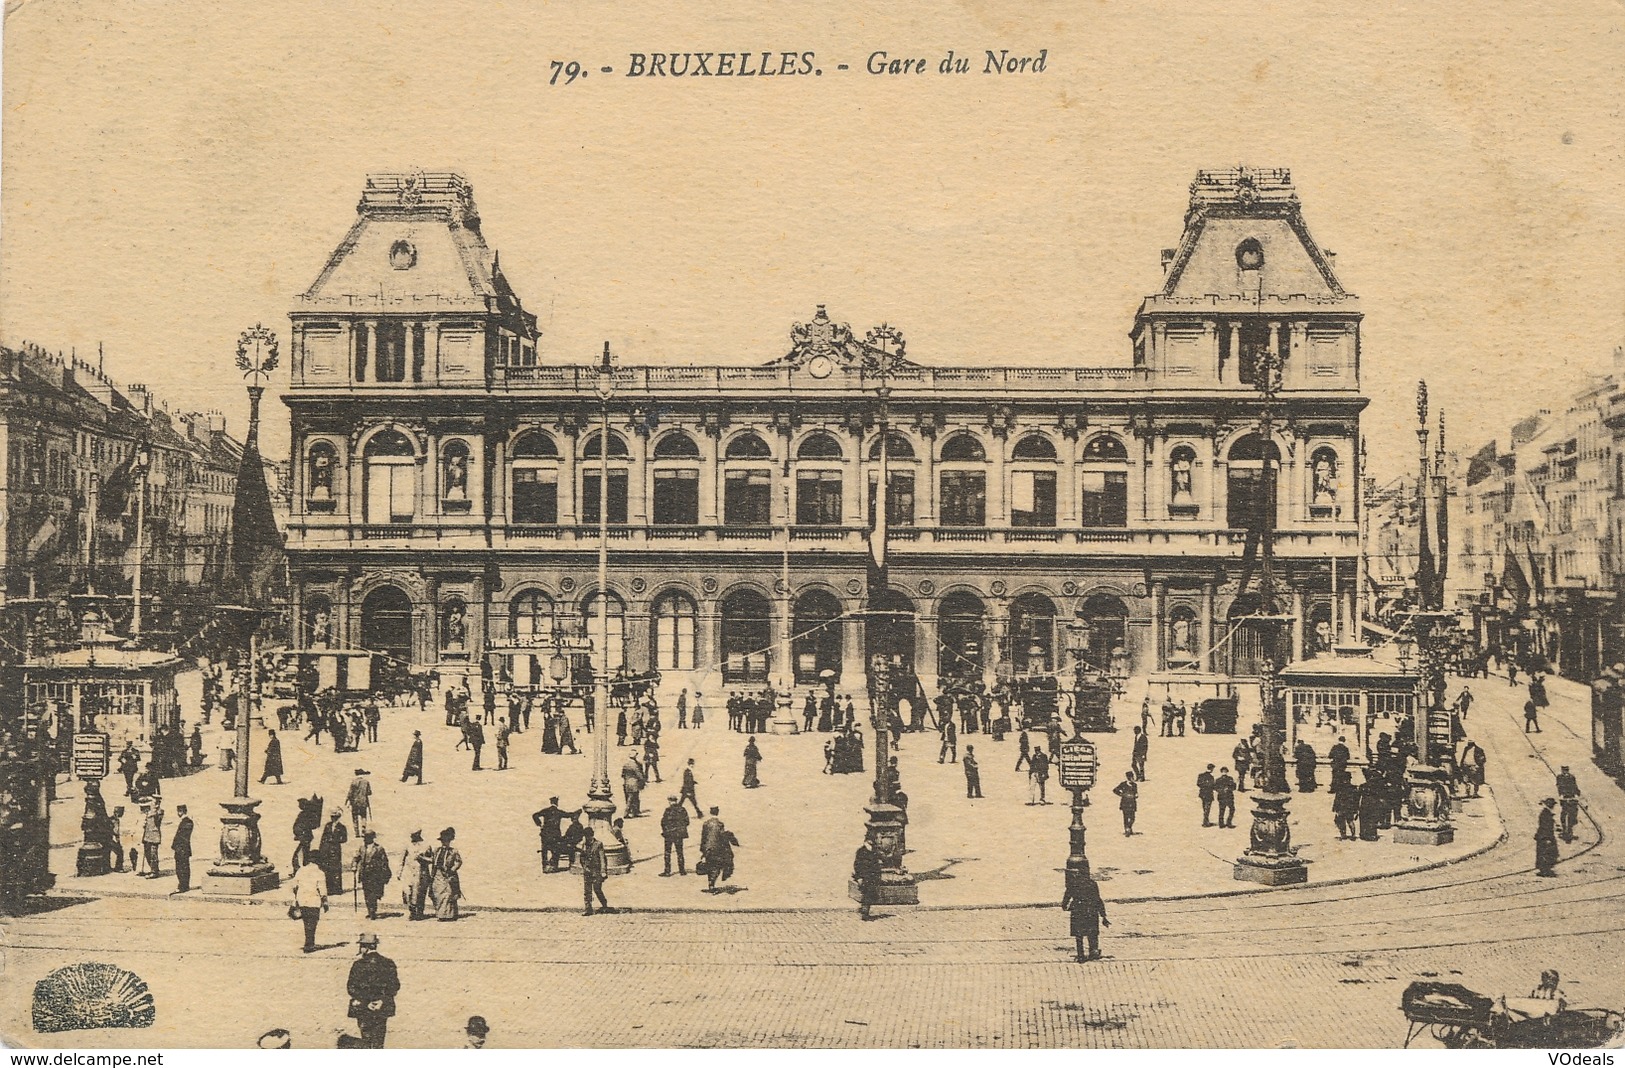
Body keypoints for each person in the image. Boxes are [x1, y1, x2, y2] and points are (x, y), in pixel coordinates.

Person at [346, 931, 400, 1048]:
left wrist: (366, 1002)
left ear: (365, 947)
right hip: (382, 1007)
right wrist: (381, 1001)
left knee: (366, 1039)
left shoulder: (358, 964)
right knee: (379, 1040)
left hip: (363, 1008)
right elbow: (395, 986)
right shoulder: (388, 963)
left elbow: (351, 988)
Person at [1060, 866, 1110, 962]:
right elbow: (1097, 899)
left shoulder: (1072, 884)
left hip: (1077, 910)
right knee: (1092, 933)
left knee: (1079, 934)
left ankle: (1081, 954)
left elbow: (1067, 896)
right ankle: (1093, 951)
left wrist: (1064, 905)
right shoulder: (1092, 884)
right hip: (1091, 910)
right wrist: (1103, 915)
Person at [289, 857, 329, 953]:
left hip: (302, 900)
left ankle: (309, 943)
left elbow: (294, 885)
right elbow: (323, 890)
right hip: (314, 901)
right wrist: (325, 903)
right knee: (312, 923)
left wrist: (297, 896)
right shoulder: (320, 873)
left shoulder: (301, 871)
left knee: (306, 922)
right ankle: (309, 944)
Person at [533, 797, 580, 873]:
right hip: (555, 835)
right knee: (555, 850)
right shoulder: (558, 812)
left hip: (545, 835)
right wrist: (576, 812)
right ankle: (554, 866)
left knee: (544, 851)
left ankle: (544, 867)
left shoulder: (546, 811)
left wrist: (540, 824)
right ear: (557, 803)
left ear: (551, 802)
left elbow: (535, 815)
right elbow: (568, 815)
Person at [699, 806, 739, 893]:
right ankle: (712, 885)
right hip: (717, 849)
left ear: (710, 812)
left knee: (710, 865)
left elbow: (703, 837)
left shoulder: (706, 823)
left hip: (708, 849)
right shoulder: (720, 824)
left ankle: (711, 884)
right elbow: (721, 836)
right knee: (717, 867)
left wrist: (703, 850)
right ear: (718, 812)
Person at [355, 830, 393, 920]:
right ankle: (370, 910)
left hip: (375, 874)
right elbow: (356, 857)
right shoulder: (362, 848)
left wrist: (385, 874)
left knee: (373, 893)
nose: (364, 839)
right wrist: (354, 865)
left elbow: (384, 861)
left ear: (371, 838)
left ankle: (373, 910)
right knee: (366, 893)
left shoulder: (379, 848)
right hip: (364, 873)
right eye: (364, 837)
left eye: (366, 837)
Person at [430, 827, 463, 920]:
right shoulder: (436, 850)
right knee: (437, 895)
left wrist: (452, 869)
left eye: (446, 841)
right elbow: (433, 860)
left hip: (448, 875)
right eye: (443, 841)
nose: (444, 843)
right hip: (437, 875)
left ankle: (449, 915)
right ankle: (441, 914)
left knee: (448, 895)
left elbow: (459, 862)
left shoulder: (453, 851)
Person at [579, 826, 612, 915]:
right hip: (587, 871)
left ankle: (604, 905)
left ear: (592, 835)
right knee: (587, 891)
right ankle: (588, 909)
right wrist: (584, 866)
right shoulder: (584, 845)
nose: (587, 839)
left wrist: (603, 871)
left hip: (596, 871)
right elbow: (581, 857)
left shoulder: (598, 844)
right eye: (585, 837)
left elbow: (602, 858)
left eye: (588, 836)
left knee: (597, 889)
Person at [401, 830, 431, 920]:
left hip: (422, 873)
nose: (411, 837)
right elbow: (401, 859)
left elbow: (432, 859)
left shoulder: (426, 845)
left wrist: (422, 858)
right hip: (409, 873)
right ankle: (412, 912)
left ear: (418, 835)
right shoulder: (407, 845)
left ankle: (420, 913)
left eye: (413, 835)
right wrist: (399, 871)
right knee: (408, 893)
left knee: (420, 894)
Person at [318, 809, 349, 895]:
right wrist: (321, 849)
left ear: (338, 817)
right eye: (332, 817)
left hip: (335, 850)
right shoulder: (328, 825)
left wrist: (335, 840)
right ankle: (329, 889)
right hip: (326, 849)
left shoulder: (342, 827)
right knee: (327, 869)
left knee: (336, 869)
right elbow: (323, 837)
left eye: (335, 817)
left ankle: (337, 889)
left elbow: (344, 839)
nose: (333, 819)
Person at [660, 795, 691, 876]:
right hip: (679, 835)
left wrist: (666, 830)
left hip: (669, 834)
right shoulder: (682, 809)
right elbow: (687, 822)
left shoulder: (668, 810)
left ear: (670, 801)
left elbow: (663, 822)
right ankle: (682, 870)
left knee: (667, 852)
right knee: (680, 852)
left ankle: (667, 871)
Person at [853, 838, 882, 921]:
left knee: (870, 894)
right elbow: (857, 865)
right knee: (867, 894)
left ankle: (864, 911)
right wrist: (859, 877)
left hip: (872, 877)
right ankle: (865, 914)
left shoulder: (873, 851)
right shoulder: (861, 851)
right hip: (864, 877)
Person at [171, 804, 193, 893]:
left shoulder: (187, 822)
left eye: (178, 811)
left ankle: (183, 886)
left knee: (182, 868)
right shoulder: (185, 822)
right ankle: (183, 885)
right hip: (182, 849)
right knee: (182, 868)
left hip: (182, 849)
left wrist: (176, 847)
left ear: (181, 812)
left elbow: (182, 837)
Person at [1556, 766, 1582, 842]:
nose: (1564, 772)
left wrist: (1577, 793)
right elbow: (1559, 787)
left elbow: (1574, 786)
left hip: (1571, 797)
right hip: (1564, 797)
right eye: (1564, 770)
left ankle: (1569, 831)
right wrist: (1560, 795)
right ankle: (1565, 830)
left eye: (1565, 770)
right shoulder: (1559, 777)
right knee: (1564, 814)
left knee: (1572, 815)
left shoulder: (1571, 777)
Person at [1535, 797, 1559, 876]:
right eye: (1553, 805)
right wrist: (1547, 838)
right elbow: (1545, 827)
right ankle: (1545, 870)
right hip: (1545, 836)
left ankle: (1546, 869)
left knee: (1547, 853)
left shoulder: (1547, 812)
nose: (1553, 806)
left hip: (1545, 836)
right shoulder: (1546, 813)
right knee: (1546, 853)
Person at [141, 800, 164, 879]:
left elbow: (157, 821)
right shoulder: (150, 812)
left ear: (158, 804)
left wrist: (152, 812)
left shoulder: (159, 812)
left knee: (153, 854)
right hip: (147, 836)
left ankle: (154, 871)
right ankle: (152, 869)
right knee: (147, 853)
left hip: (154, 836)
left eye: (154, 803)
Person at [347, 768, 372, 837]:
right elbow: (369, 792)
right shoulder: (366, 782)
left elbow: (350, 793)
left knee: (355, 817)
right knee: (363, 816)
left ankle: (357, 833)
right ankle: (363, 830)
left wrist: (348, 802)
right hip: (363, 802)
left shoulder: (353, 782)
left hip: (355, 802)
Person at [1113, 771, 1139, 836]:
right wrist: (1122, 794)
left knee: (1132, 817)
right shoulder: (1123, 784)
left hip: (1132, 803)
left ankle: (1129, 827)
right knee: (1126, 817)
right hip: (1125, 803)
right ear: (1128, 778)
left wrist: (1136, 795)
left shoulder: (1134, 785)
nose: (1132, 778)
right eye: (1131, 777)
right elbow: (1115, 790)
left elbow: (1136, 793)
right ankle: (1127, 829)